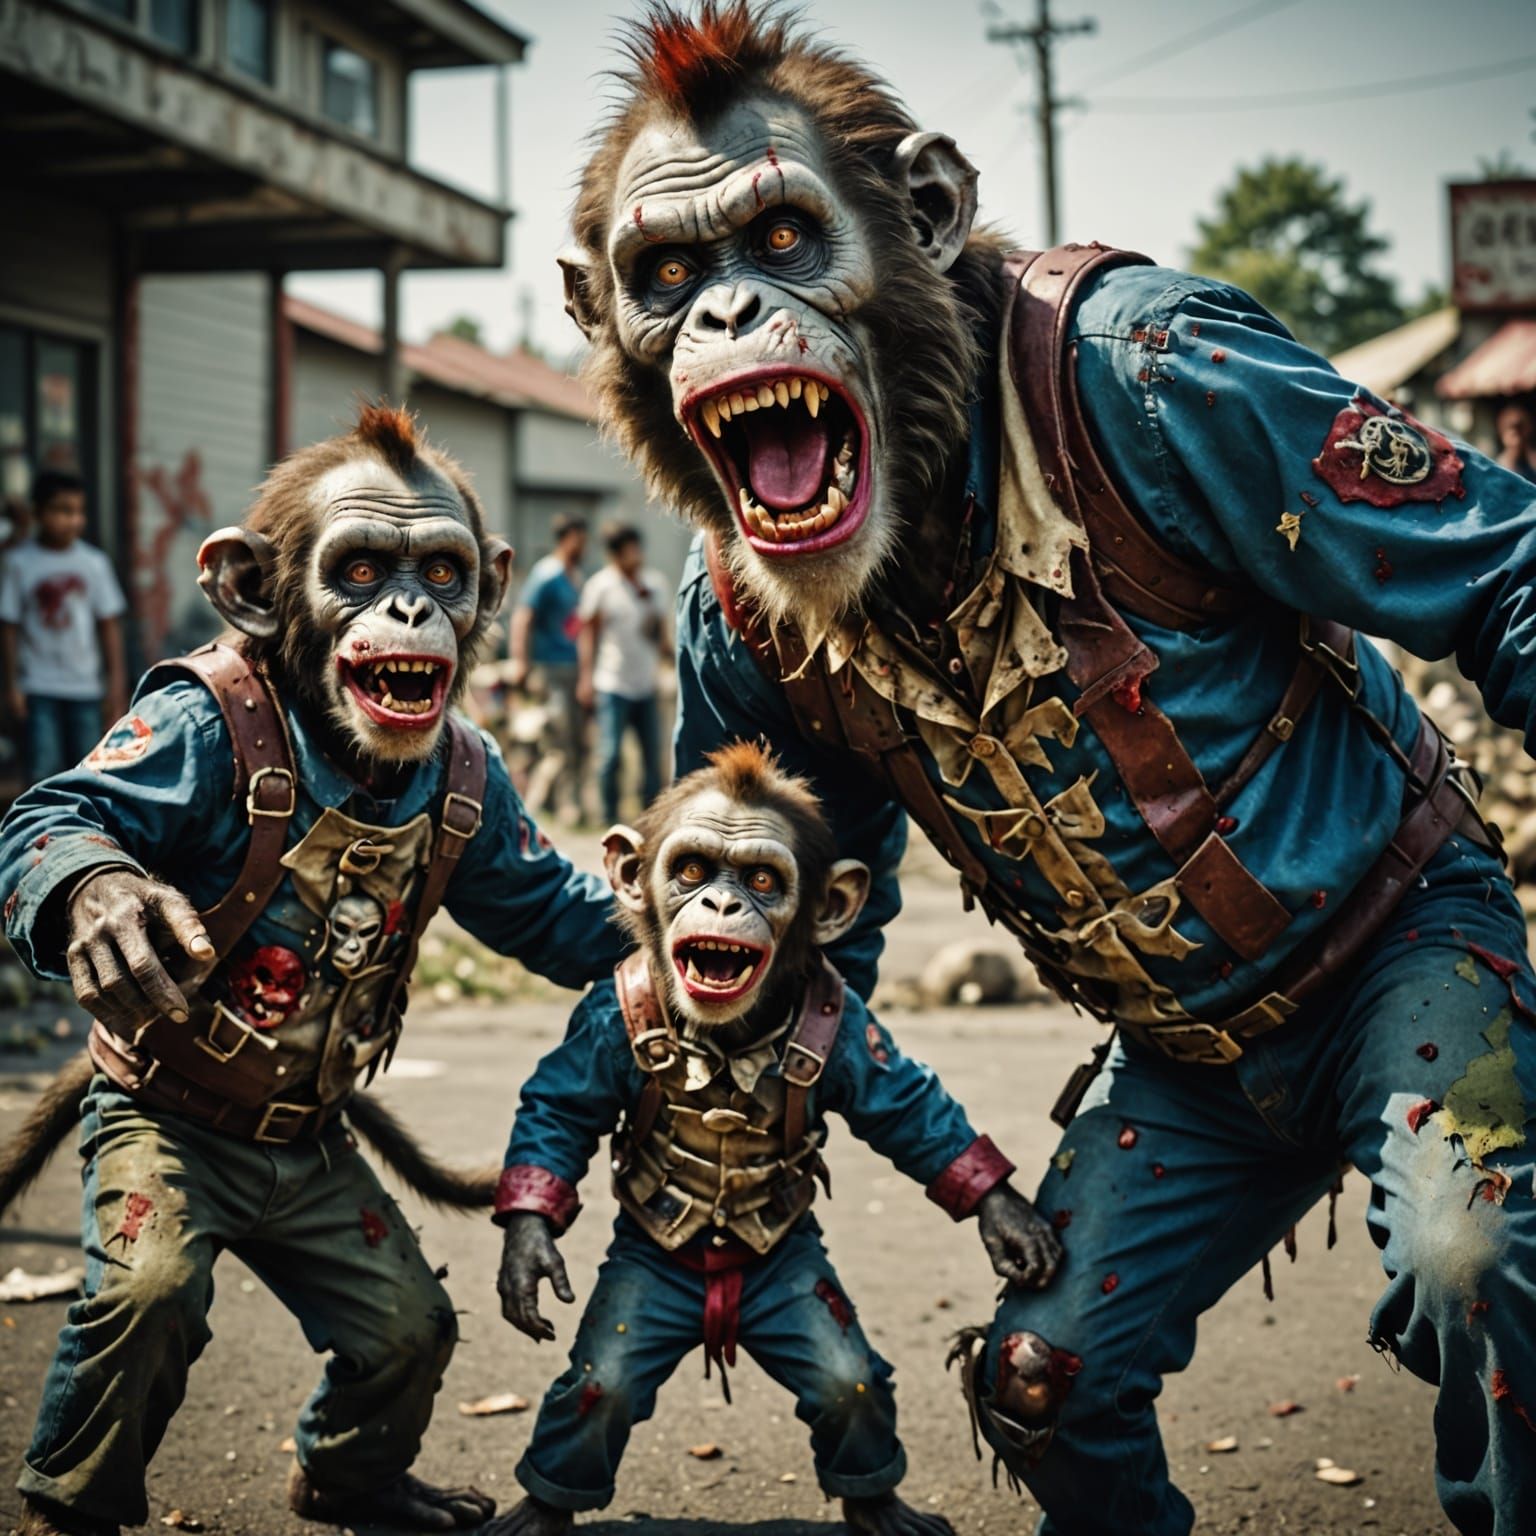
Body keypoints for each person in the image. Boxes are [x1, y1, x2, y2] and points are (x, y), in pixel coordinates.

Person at [558, 8, 1536, 1532]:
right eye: (667, 277)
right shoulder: (743, 612)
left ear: (927, 214)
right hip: (1187, 1053)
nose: (731, 313)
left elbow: (1503, 564)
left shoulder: (1143, 372)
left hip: (1400, 940)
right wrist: (737, 1129)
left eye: (782, 239)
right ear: (596, 316)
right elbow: (792, 912)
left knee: (1472, 1259)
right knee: (1040, 1379)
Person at [0, 470, 126, 784]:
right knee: (43, 773)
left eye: (79, 511)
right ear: (38, 513)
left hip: (85, 687)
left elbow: (109, 626)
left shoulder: (93, 563)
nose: (73, 520)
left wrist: (116, 686)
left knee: (88, 775)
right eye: (62, 510)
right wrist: (12, 685)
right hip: (37, 686)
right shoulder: (19, 562)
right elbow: (9, 626)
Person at [577, 523, 669, 825]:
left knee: (651, 754)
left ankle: (652, 816)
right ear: (615, 555)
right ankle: (608, 815)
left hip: (647, 682)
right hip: (612, 682)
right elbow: (588, 635)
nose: (636, 556)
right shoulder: (601, 586)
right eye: (629, 551)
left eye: (637, 549)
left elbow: (662, 635)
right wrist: (586, 678)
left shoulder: (655, 585)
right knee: (611, 753)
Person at [509, 514, 589, 818]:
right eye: (578, 540)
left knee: (575, 738)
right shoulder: (547, 574)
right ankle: (557, 805)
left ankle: (560, 801)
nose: (583, 546)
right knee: (558, 737)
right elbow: (523, 617)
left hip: (573, 668)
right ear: (565, 539)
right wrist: (521, 661)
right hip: (549, 668)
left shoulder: (576, 577)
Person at [1495, 399, 1536, 484]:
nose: (1515, 431)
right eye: (1510, 426)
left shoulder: (1531, 456)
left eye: (1519, 426)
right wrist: (1512, 449)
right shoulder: (1499, 462)